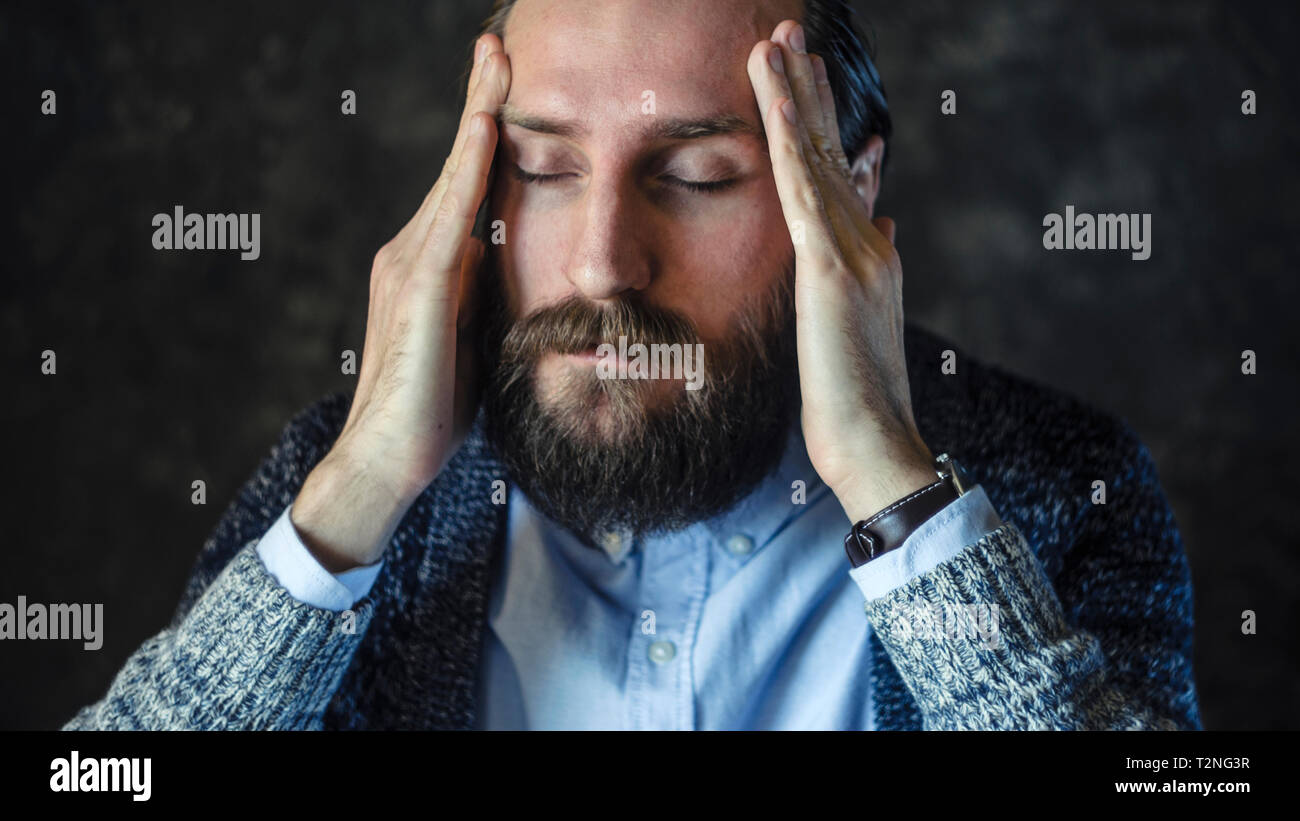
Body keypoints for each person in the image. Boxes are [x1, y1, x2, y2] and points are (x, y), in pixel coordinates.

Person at [65, 0, 1200, 730]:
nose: (603, 264)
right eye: (543, 170)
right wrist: (356, 495)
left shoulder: (1060, 481)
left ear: (851, 189)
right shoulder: (341, 484)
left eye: (699, 176)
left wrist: (900, 499)